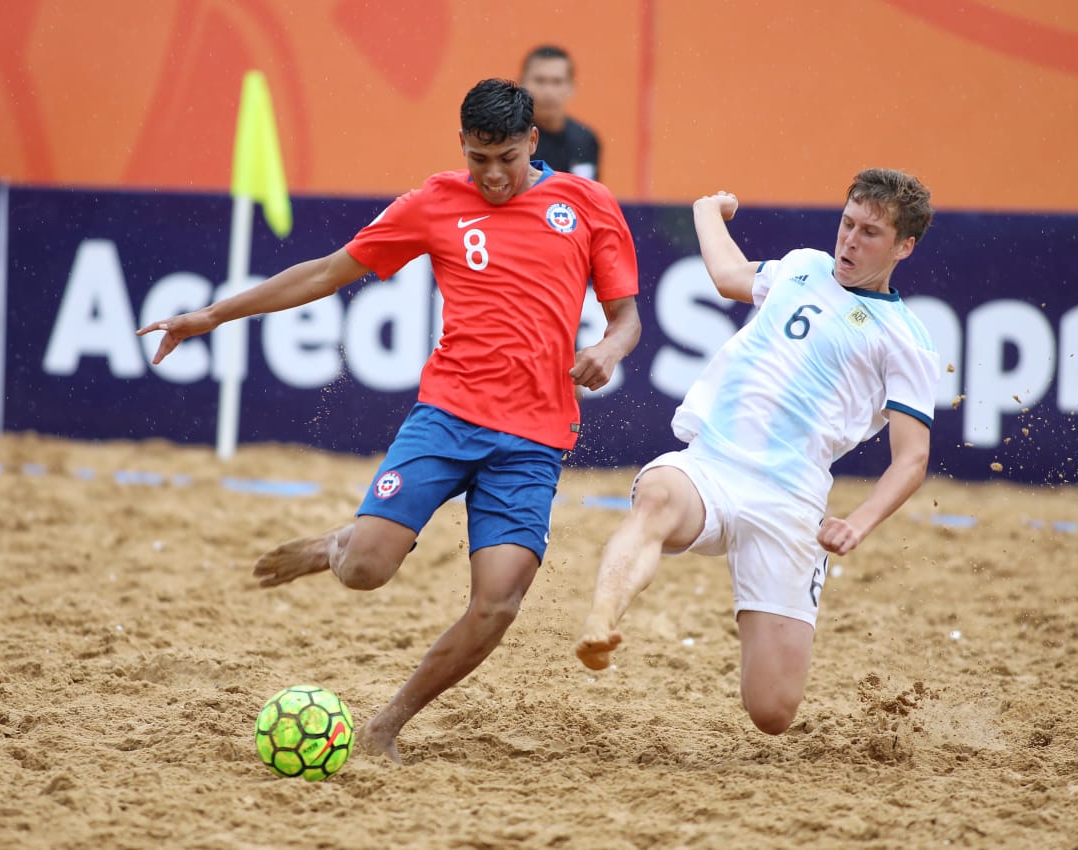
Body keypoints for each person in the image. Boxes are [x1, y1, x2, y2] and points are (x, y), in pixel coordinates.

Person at [137, 79, 641, 763]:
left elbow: (626, 318)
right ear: (460, 147)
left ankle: (387, 724)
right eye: (476, 159)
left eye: (505, 159)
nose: (491, 176)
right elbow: (325, 273)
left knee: (497, 605)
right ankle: (336, 547)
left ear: (532, 142)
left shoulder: (587, 205)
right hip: (447, 417)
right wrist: (213, 314)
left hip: (532, 438)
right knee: (368, 571)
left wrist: (608, 349)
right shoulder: (434, 202)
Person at [575, 168, 938, 735]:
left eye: (870, 233)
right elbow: (726, 276)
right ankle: (601, 620)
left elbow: (912, 458)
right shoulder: (802, 267)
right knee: (656, 498)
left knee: (771, 711)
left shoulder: (904, 337)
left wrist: (859, 523)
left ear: (905, 246)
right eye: (847, 223)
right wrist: (706, 209)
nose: (848, 241)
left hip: (790, 500)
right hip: (713, 465)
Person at [519, 45, 600, 180]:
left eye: (557, 82)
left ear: (571, 87)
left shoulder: (585, 140)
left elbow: (586, 193)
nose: (548, 92)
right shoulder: (510, 137)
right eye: (540, 81)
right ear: (522, 83)